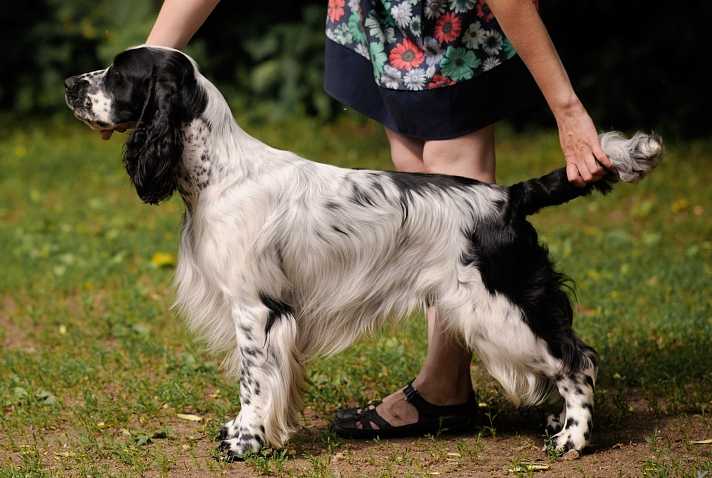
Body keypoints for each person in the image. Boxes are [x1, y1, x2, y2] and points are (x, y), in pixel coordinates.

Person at [121, 0, 611, 438]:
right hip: (387, 20)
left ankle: (542, 382)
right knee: (417, 162)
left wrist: (566, 108)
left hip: (448, 19)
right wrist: (149, 68)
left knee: (453, 194)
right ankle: (448, 388)